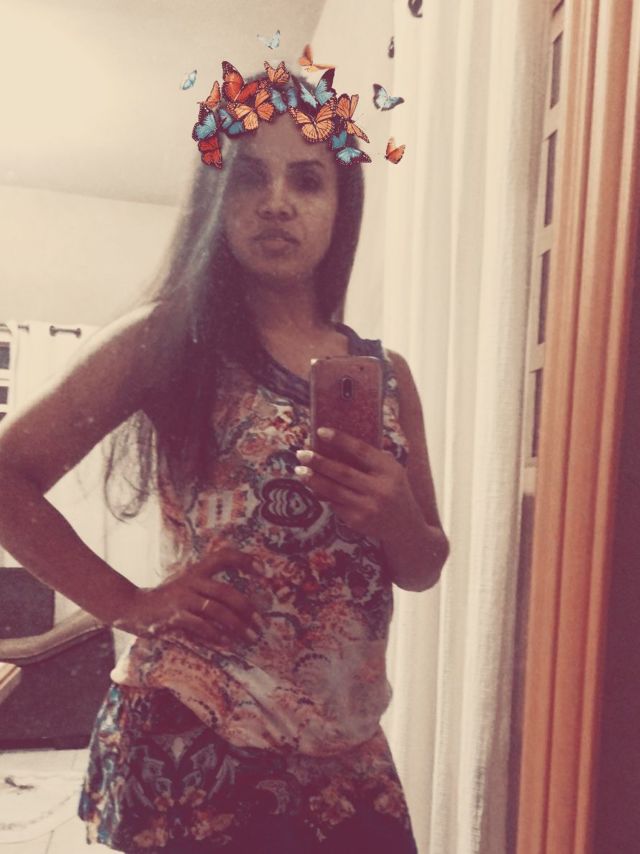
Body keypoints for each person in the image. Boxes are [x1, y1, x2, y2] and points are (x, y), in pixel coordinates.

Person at [0, 65, 449, 853]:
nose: (276, 201)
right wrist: (128, 603)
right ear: (217, 196)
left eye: (306, 179)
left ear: (340, 205)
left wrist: (394, 515)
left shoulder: (387, 375)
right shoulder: (167, 339)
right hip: (195, 739)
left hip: (349, 755)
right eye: (248, 176)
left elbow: (423, 565)